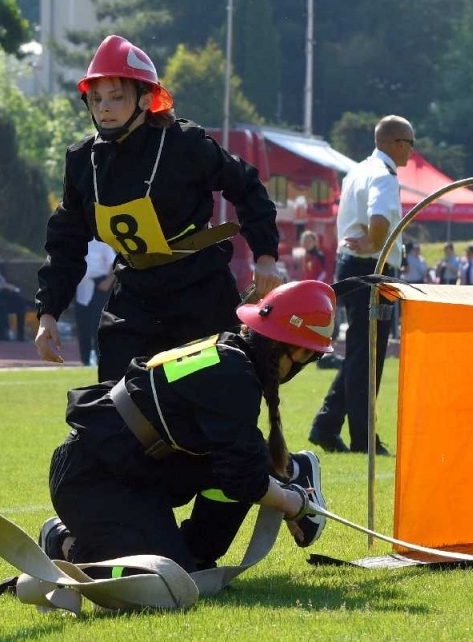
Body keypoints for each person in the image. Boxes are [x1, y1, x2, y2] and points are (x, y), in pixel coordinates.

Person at [37, 280, 337, 577]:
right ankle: (63, 540)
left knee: (236, 465)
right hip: (94, 478)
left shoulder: (233, 356)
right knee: (161, 579)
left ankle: (197, 553)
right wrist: (294, 503)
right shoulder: (234, 373)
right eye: (313, 355)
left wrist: (275, 481)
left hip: (136, 464)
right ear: (297, 352)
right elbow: (244, 480)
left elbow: (239, 463)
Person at [35, 35, 282, 381]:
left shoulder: (185, 143)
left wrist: (266, 256)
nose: (103, 107)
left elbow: (247, 185)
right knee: (112, 409)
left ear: (147, 98)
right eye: (96, 98)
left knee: (214, 404)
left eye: (116, 97)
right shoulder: (81, 161)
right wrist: (48, 313)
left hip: (200, 292)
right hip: (132, 297)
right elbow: (65, 241)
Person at [308, 115, 409, 456]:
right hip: (373, 268)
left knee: (359, 353)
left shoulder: (358, 170)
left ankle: (326, 425)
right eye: (408, 142)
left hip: (351, 265)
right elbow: (379, 218)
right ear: (396, 143)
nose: (410, 150)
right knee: (369, 357)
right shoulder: (385, 175)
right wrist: (374, 243)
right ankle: (363, 439)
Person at [73, 239, 116, 367]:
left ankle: (100, 358)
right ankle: (85, 359)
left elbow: (115, 263)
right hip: (81, 285)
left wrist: (108, 282)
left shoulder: (102, 243)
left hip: (100, 286)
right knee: (82, 324)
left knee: (98, 323)